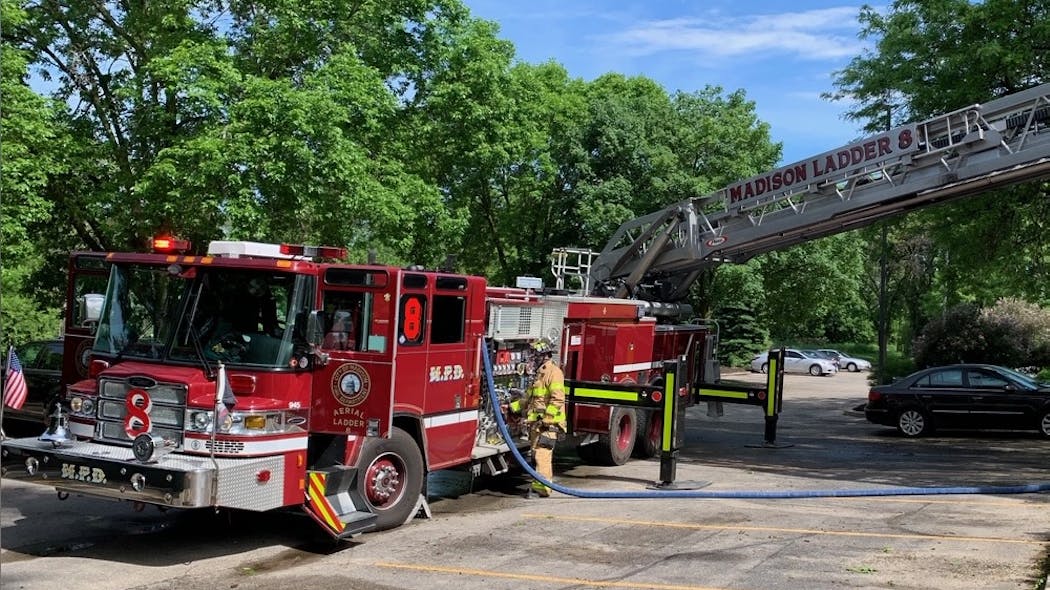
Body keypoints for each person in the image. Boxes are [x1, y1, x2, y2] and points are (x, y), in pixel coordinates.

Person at [515, 339, 566, 498]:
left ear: (545, 356)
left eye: (536, 355)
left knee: (542, 456)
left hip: (548, 425)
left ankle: (542, 489)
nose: (533, 358)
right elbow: (530, 399)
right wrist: (513, 408)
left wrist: (547, 419)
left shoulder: (554, 372)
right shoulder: (539, 374)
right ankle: (538, 486)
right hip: (537, 425)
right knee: (536, 454)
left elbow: (557, 399)